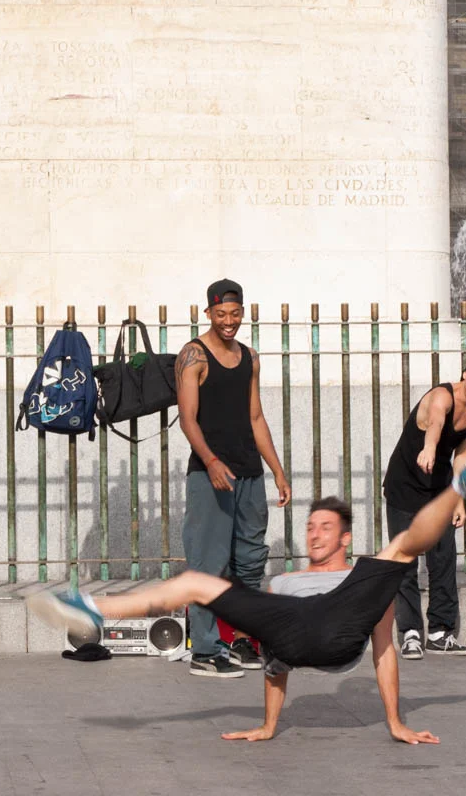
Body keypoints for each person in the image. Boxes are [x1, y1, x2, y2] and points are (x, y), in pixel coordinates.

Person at [30, 446, 466, 743]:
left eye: (326, 527)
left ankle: (458, 486)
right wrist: (269, 725)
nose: (315, 534)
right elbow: (276, 660)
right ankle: (90, 609)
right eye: (310, 526)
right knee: (196, 582)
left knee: (400, 547)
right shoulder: (285, 583)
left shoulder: (363, 579)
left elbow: (384, 651)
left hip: (341, 629)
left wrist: (396, 722)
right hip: (293, 626)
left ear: (344, 538)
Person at [174, 279, 292, 677]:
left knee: (250, 562)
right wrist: (209, 461)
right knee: (208, 563)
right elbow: (187, 419)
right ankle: (206, 652)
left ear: (244, 312)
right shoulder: (193, 355)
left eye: (235, 314)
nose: (229, 321)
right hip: (211, 476)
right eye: (221, 314)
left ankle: (242, 641)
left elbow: (255, 418)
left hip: (249, 474)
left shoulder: (250, 358)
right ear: (208, 313)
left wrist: (277, 471)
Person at [381, 350, 466, 659]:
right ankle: (410, 633)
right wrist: (429, 448)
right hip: (405, 483)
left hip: (439, 487)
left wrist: (458, 499)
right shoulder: (442, 396)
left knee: (444, 556)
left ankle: (440, 632)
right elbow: (434, 424)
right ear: (465, 374)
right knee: (404, 559)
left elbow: (462, 453)